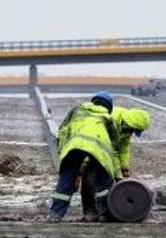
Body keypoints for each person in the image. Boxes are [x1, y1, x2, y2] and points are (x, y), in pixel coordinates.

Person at [49, 91, 120, 222]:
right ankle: (105, 214)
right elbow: (115, 148)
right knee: (103, 182)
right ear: (108, 107)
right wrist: (118, 176)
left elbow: (63, 131)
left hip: (73, 147)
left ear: (94, 102)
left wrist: (63, 153)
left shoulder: (77, 111)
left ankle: (55, 214)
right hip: (98, 151)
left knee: (66, 181)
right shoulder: (108, 118)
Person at [79, 105, 151, 219]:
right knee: (90, 178)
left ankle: (105, 210)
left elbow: (123, 148)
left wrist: (124, 168)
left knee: (106, 180)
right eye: (131, 130)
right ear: (127, 124)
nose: (131, 133)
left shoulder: (126, 127)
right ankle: (90, 212)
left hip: (105, 152)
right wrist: (119, 175)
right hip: (89, 149)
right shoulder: (109, 121)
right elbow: (111, 152)